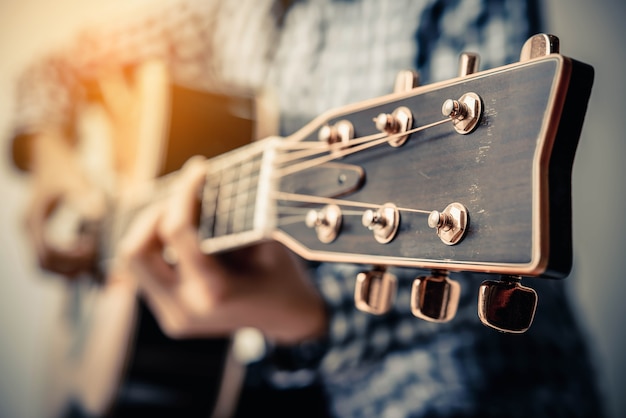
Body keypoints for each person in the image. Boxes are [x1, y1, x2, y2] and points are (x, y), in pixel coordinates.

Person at [9, 0, 605, 416]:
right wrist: (50, 156)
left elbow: (479, 360)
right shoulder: (229, 11)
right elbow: (55, 69)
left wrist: (307, 324)